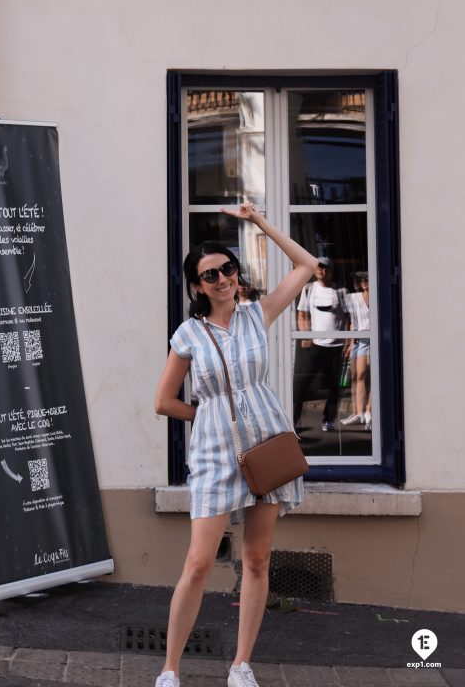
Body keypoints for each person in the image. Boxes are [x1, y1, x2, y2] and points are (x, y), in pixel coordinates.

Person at [154, 202, 317, 687]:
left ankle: (241, 664)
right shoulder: (188, 334)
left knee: (257, 559)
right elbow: (164, 401)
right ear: (197, 286)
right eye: (210, 275)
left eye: (227, 269)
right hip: (213, 454)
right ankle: (169, 669)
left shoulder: (256, 314)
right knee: (199, 562)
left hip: (266, 445)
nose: (222, 279)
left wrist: (260, 222)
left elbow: (307, 265)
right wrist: (204, 415)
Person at [294, 257, 349, 433]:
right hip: (315, 345)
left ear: (331, 271)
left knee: (334, 386)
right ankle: (295, 421)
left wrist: (348, 342)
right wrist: (306, 335)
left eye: (324, 268)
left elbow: (348, 318)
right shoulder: (309, 289)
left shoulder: (340, 291)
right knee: (301, 384)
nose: (321, 271)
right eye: (318, 268)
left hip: (336, 347)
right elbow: (302, 314)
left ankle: (328, 420)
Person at [341, 271, 371, 429]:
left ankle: (369, 412)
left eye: (366, 279)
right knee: (356, 376)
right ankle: (359, 412)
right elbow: (350, 321)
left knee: (368, 376)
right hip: (358, 339)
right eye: (361, 280)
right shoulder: (353, 298)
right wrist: (350, 342)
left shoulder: (377, 296)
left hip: (371, 339)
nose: (364, 282)